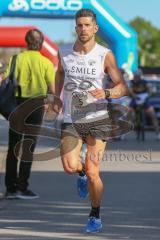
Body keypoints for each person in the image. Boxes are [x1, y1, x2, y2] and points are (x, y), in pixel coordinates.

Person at [55, 8, 129, 233]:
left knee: (93, 170)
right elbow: (59, 73)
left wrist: (106, 93)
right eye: (79, 25)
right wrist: (55, 97)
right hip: (71, 118)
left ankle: (95, 214)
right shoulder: (64, 51)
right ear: (75, 27)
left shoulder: (104, 54)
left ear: (95, 28)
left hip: (98, 118)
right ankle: (80, 175)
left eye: (87, 25)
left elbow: (122, 87)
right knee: (70, 166)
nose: (83, 29)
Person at [1, 29, 55, 200]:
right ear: (41, 43)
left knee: (13, 147)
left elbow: (4, 79)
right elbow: (52, 90)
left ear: (26, 42)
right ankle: (23, 187)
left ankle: (10, 189)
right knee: (28, 148)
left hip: (16, 105)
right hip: (36, 106)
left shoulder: (16, 59)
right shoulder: (46, 62)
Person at [129, 69, 160, 140]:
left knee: (152, 115)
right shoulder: (131, 82)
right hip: (135, 99)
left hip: (144, 99)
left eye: (138, 76)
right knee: (129, 112)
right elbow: (130, 91)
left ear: (140, 76)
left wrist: (150, 92)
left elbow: (150, 88)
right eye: (135, 76)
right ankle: (123, 133)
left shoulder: (144, 82)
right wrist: (133, 95)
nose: (136, 78)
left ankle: (157, 133)